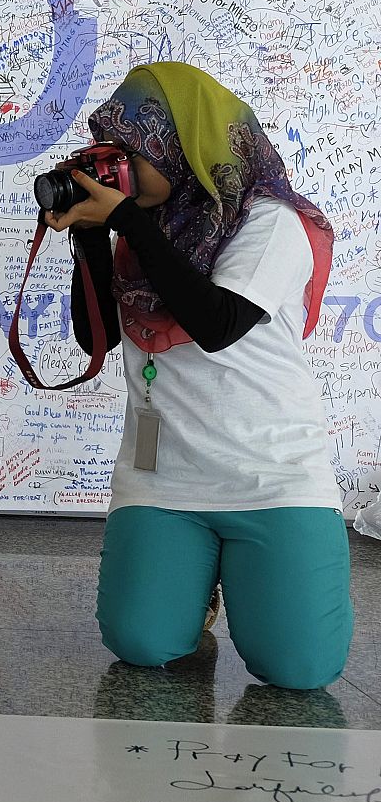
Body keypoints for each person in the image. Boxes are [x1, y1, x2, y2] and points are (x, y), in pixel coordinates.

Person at [46, 62, 351, 690]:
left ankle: (239, 572)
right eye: (112, 152)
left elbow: (217, 323)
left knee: (301, 670)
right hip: (164, 474)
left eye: (133, 152)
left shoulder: (271, 222)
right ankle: (196, 578)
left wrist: (126, 220)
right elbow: (93, 336)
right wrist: (90, 240)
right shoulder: (147, 229)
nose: (118, 168)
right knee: (141, 643)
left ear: (184, 145)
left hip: (272, 475)